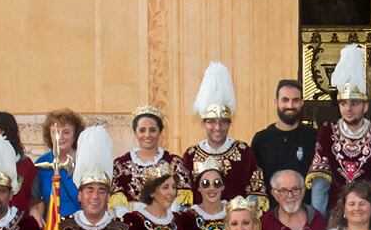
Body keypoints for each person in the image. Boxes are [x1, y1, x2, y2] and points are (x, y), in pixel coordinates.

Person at [308, 44, 371, 205]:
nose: (348, 109)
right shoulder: (327, 133)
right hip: (335, 214)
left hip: (368, 214)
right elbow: (320, 183)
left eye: (354, 103)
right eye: (343, 103)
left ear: (365, 106)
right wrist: (319, 221)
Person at [185, 62, 268, 207]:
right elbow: (183, 201)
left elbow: (256, 196)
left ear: (230, 123)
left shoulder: (244, 153)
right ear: (204, 123)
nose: (217, 127)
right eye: (211, 122)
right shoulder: (190, 156)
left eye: (223, 122)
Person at [251, 78, 317, 195]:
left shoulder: (314, 137)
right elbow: (255, 180)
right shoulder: (261, 139)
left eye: (295, 100)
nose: (290, 105)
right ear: (276, 102)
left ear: (302, 103)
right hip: (271, 210)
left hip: (305, 209)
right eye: (285, 100)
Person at [112, 106, 176, 210]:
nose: (147, 135)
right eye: (142, 130)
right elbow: (117, 206)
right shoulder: (120, 165)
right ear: (135, 132)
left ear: (160, 132)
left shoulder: (174, 163)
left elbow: (181, 203)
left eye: (153, 130)